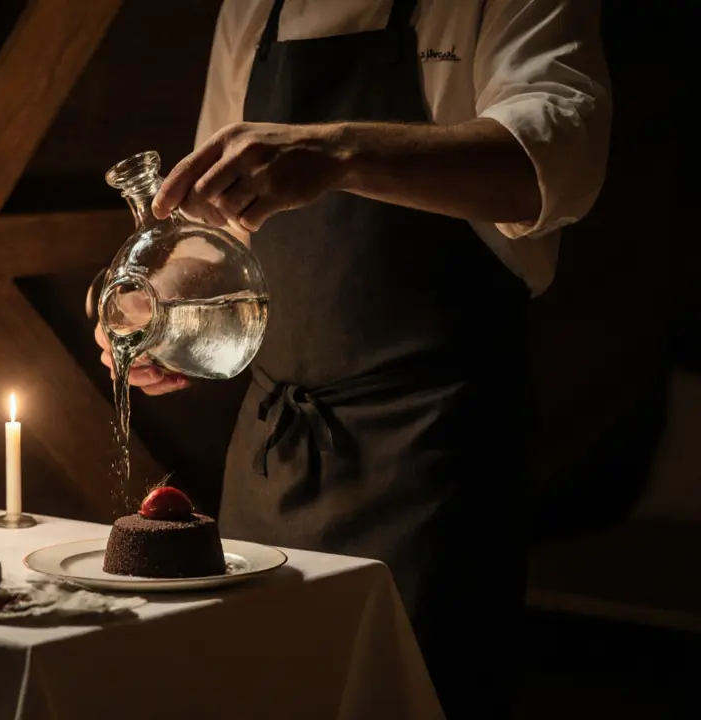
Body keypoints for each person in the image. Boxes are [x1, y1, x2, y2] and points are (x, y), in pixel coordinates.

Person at [95, 0, 611, 716]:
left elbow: (558, 162)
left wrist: (340, 152)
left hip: (432, 457)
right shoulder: (253, 8)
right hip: (271, 458)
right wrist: (162, 304)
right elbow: (219, 229)